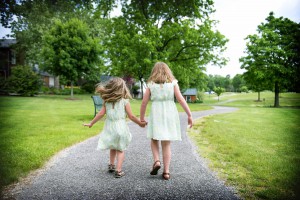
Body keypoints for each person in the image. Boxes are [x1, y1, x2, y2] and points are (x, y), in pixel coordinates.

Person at [84, 77, 147, 178]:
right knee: (120, 149)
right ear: (122, 88)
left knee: (113, 146)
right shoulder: (125, 101)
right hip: (121, 126)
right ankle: (118, 170)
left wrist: (91, 123)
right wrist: (140, 123)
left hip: (110, 127)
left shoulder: (106, 100)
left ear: (110, 88)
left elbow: (100, 114)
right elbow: (131, 116)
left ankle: (111, 165)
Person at [140, 62, 193, 180]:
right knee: (166, 142)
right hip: (170, 112)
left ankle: (157, 161)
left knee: (154, 138)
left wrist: (142, 118)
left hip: (156, 112)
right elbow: (180, 99)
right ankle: (166, 172)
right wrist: (189, 115)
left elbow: (144, 102)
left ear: (154, 71)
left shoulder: (150, 84)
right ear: (168, 71)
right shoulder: (173, 83)